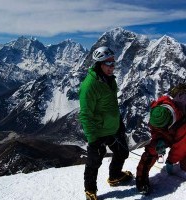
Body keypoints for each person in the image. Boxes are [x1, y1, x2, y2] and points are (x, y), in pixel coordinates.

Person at [79, 46, 133, 200]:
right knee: (94, 161)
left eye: (113, 63)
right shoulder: (89, 86)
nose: (112, 67)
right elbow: (85, 115)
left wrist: (119, 122)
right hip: (99, 131)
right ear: (99, 64)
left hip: (113, 127)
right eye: (108, 64)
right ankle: (90, 190)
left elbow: (111, 105)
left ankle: (115, 176)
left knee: (122, 152)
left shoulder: (110, 80)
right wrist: (93, 139)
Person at [136, 85, 186, 195]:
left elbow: (180, 146)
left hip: (181, 131)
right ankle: (141, 179)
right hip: (171, 130)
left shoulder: (182, 123)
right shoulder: (157, 112)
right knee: (152, 150)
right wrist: (158, 139)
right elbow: (155, 129)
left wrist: (170, 161)